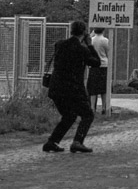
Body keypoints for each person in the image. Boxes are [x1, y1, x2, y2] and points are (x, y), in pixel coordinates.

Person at [43, 20, 102, 153]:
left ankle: (51, 142)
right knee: (88, 115)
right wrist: (90, 45)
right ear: (84, 33)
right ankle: (77, 142)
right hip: (73, 89)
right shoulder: (82, 50)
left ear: (71, 30)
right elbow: (96, 63)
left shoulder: (59, 44)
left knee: (69, 115)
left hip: (56, 88)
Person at [87, 27, 110, 114]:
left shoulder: (91, 40)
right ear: (103, 30)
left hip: (93, 66)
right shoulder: (105, 40)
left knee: (93, 88)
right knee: (103, 88)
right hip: (104, 65)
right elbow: (108, 53)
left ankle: (92, 107)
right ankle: (104, 107)